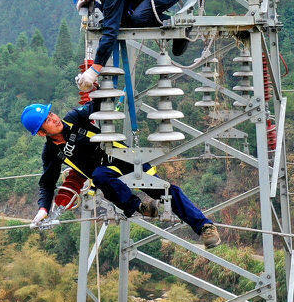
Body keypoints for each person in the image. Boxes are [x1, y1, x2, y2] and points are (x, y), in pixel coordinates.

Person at [20, 101, 221, 248]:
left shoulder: (75, 119)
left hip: (125, 159)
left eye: (51, 114)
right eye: (46, 120)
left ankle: (204, 227)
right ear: (41, 133)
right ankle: (139, 207)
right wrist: (43, 209)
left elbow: (99, 104)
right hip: (106, 175)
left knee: (166, 190)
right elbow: (47, 183)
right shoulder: (52, 153)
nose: (54, 119)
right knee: (99, 176)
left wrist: (102, 81)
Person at [57, 0, 192, 92]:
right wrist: (93, 4)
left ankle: (180, 26)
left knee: (137, 19)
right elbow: (113, 7)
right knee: (123, 17)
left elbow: (111, 31)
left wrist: (94, 70)